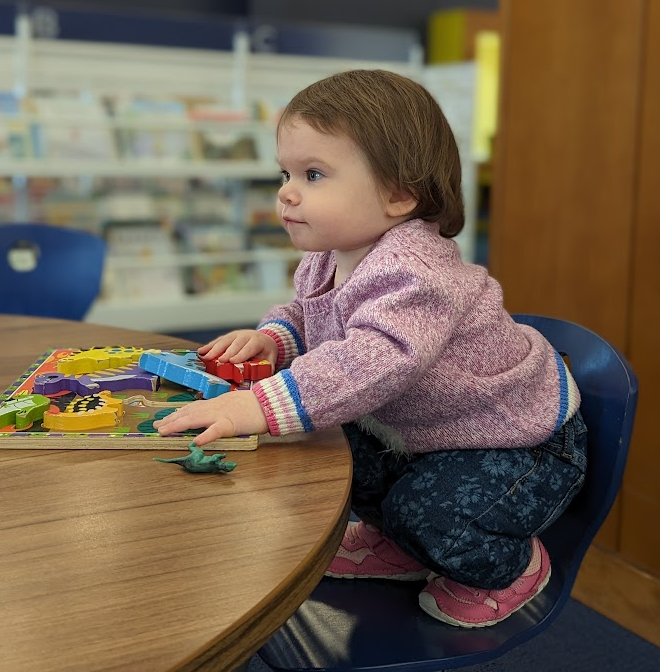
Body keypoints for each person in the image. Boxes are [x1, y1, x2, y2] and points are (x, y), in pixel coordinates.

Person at [155, 68, 587, 629]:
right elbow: (313, 314)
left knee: (430, 512)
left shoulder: (416, 271)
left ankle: (510, 566)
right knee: (331, 453)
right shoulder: (331, 253)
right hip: (425, 431)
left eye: (314, 175)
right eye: (285, 173)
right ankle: (401, 545)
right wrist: (274, 337)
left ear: (399, 194)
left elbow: (373, 359)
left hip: (516, 440)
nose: (286, 192)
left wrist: (257, 405)